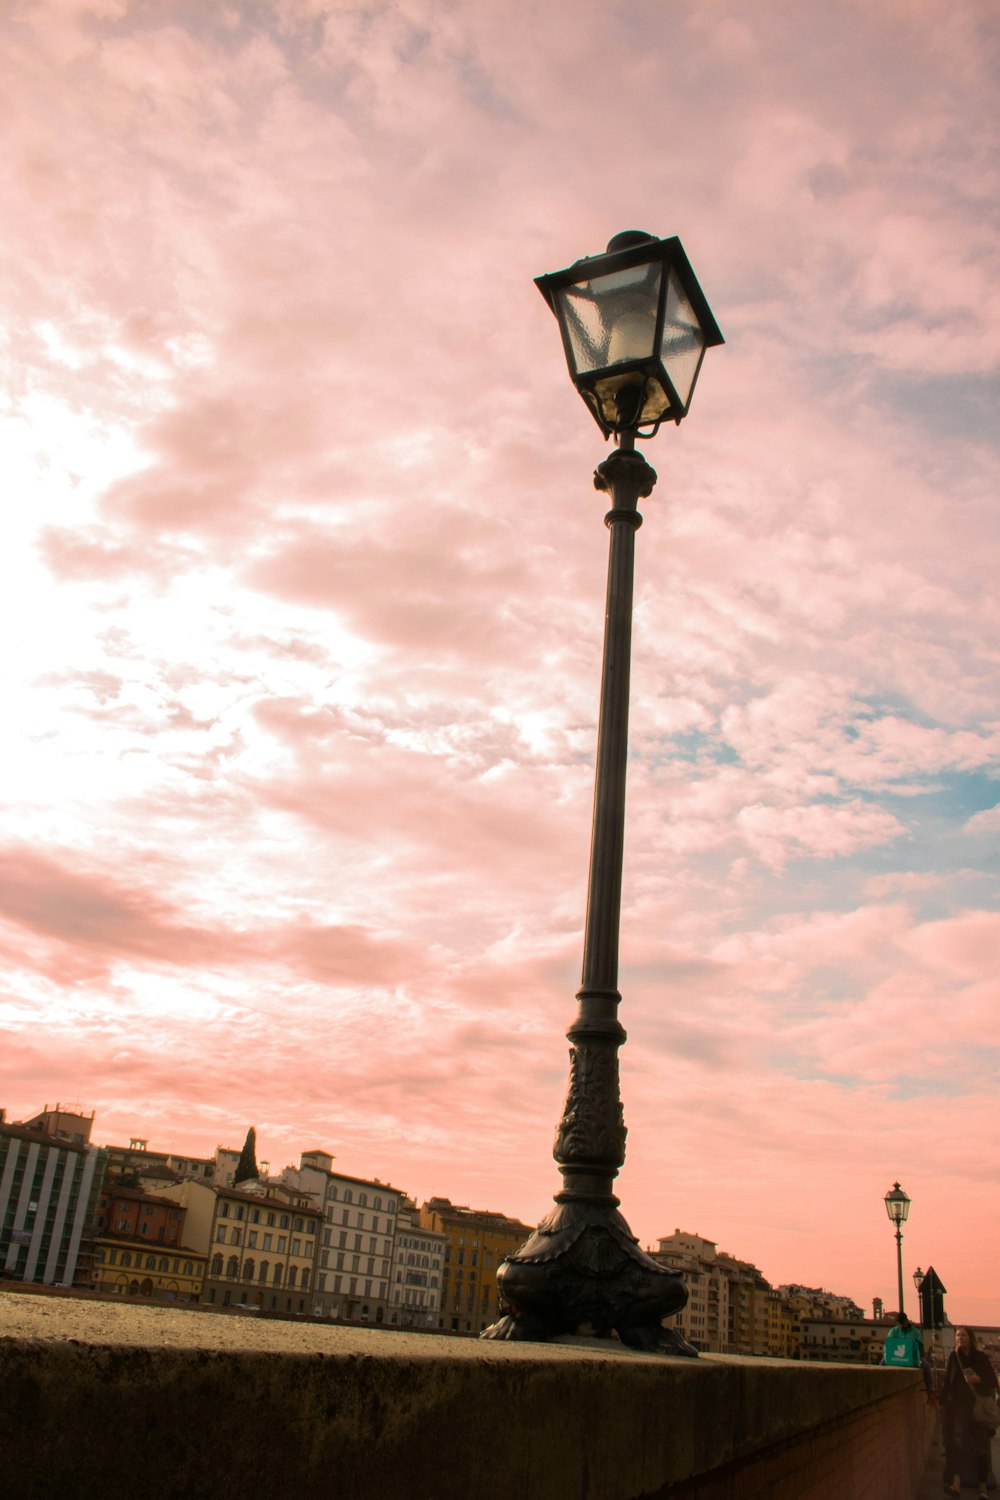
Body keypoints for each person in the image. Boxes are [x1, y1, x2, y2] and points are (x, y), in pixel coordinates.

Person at [940, 1326, 998, 1498]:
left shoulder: (980, 1358)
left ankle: (982, 1488)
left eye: (963, 1335)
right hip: (960, 1408)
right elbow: (948, 1380)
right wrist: (941, 1401)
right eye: (957, 1335)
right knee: (957, 1444)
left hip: (978, 1408)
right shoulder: (954, 1356)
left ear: (970, 1338)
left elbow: (992, 1381)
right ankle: (956, 1484)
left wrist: (978, 1380)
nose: (960, 1338)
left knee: (981, 1449)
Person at [882, 1312, 933, 1394]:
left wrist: (917, 1356)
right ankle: (883, 1390)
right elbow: (887, 1345)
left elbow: (920, 1347)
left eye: (902, 1324)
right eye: (899, 1324)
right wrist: (886, 1354)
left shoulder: (915, 1332)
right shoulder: (894, 1331)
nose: (901, 1326)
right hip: (896, 1358)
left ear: (906, 1321)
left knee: (926, 1366)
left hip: (912, 1358)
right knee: (882, 1363)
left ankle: (930, 1394)